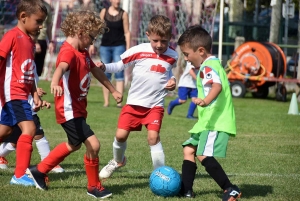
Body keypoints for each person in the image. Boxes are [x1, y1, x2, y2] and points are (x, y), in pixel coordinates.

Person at [26, 10, 122, 199]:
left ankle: (39, 170)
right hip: (69, 111)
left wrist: (113, 90)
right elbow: (61, 67)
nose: (93, 42)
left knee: (74, 144)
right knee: (93, 145)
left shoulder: (83, 52)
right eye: (92, 37)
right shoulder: (68, 51)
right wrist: (54, 82)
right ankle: (93, 186)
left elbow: (96, 71)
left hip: (77, 110)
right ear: (81, 32)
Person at [98, 14, 178, 179]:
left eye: (164, 41)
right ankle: (117, 160)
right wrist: (105, 66)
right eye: (155, 40)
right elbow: (119, 66)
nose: (159, 45)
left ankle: (160, 174)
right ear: (148, 35)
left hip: (155, 105)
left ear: (170, 38)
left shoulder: (173, 55)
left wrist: (173, 80)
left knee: (153, 137)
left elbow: (170, 73)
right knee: (120, 136)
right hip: (134, 103)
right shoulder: (139, 50)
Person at [177, 25, 242, 200]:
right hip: (205, 122)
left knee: (201, 153)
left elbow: (217, 86)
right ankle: (186, 190)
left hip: (215, 120)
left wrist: (204, 101)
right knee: (189, 150)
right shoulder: (212, 64)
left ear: (200, 50)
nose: (186, 58)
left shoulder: (207, 67)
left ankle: (230, 188)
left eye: (186, 54)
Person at [0, 0, 46, 186]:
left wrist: (34, 93)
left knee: (6, 131)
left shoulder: (29, 41)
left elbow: (28, 72)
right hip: (14, 93)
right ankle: (19, 176)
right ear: (23, 17)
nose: (41, 25)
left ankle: (20, 175)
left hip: (22, 94)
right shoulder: (12, 36)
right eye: (38, 21)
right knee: (30, 129)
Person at [0, 87, 64, 173]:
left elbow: (30, 84)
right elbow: (14, 83)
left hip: (27, 106)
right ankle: (48, 162)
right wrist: (32, 91)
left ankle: (47, 162)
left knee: (14, 140)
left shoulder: (31, 75)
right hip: (16, 105)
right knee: (35, 133)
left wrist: (37, 97)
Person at [89, 0, 130, 108]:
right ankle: (106, 102)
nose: (118, 1)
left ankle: (119, 101)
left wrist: (129, 49)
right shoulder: (104, 12)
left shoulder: (124, 14)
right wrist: (92, 43)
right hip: (105, 46)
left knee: (119, 73)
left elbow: (127, 32)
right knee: (104, 71)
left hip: (119, 46)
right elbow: (97, 28)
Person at [35, 0, 55, 77]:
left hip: (43, 40)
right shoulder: (31, 5)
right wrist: (35, 42)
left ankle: (35, 88)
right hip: (32, 40)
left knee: (38, 70)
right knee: (29, 68)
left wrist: (50, 41)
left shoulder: (47, 6)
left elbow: (49, 25)